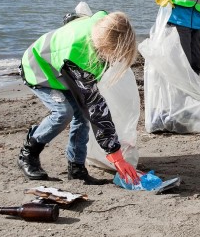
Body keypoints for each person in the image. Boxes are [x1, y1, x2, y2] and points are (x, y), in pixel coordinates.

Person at [18, 10, 139, 185]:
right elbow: (95, 108)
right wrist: (116, 156)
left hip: (61, 71)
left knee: (82, 116)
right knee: (63, 112)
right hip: (38, 70)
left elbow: (74, 19)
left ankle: (76, 168)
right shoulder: (79, 54)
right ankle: (28, 154)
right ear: (104, 46)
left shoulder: (104, 23)